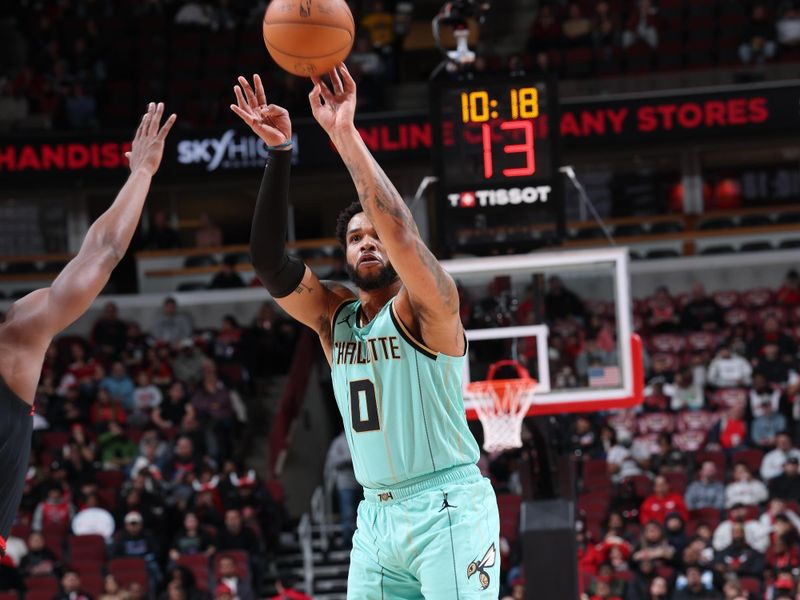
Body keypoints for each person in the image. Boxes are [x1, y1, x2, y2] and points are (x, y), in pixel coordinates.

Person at [232, 67, 499, 598]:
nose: (369, 243)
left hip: (448, 505)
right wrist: (281, 151)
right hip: (375, 517)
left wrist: (343, 134)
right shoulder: (334, 317)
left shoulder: (432, 306)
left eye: (375, 236)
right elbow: (266, 260)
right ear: (345, 253)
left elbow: (399, 229)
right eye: (355, 238)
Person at [325, 430, 359, 546]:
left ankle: (359, 540)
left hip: (359, 482)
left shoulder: (357, 437)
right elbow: (333, 461)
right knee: (348, 513)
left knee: (360, 514)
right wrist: (348, 459)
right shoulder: (338, 442)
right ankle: (348, 541)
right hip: (345, 484)